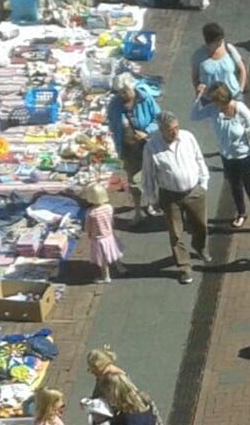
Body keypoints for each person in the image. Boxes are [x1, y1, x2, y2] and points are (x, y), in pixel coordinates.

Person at [142, 114, 210, 286]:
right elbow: (148, 175)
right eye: (170, 130)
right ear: (161, 130)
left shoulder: (187, 137)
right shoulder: (152, 147)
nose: (175, 132)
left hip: (195, 191)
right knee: (176, 233)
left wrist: (204, 183)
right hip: (170, 196)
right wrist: (152, 198)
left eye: (176, 128)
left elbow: (199, 159)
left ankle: (200, 247)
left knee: (200, 225)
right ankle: (184, 267)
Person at [207, 87, 250, 238]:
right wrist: (199, 96)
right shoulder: (217, 112)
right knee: (234, 187)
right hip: (227, 157)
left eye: (215, 101)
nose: (213, 105)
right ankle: (241, 213)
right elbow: (194, 115)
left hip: (244, 156)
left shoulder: (240, 109)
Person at [106, 74, 161, 208]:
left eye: (125, 91)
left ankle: (152, 201)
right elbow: (113, 125)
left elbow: (159, 118)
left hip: (148, 145)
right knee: (133, 181)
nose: (122, 95)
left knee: (152, 175)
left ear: (132, 88)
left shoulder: (145, 99)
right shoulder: (114, 104)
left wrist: (147, 131)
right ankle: (137, 209)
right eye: (120, 92)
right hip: (128, 150)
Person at [191, 22, 248, 104]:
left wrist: (240, 91)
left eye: (221, 40)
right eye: (218, 41)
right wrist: (199, 90)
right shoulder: (198, 55)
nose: (221, 42)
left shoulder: (229, 48)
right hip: (210, 100)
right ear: (209, 41)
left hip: (233, 96)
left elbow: (242, 69)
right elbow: (195, 77)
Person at [78, 182, 121, 284]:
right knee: (112, 252)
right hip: (109, 235)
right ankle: (120, 267)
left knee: (102, 260)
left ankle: (105, 277)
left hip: (98, 238)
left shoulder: (91, 212)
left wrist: (88, 233)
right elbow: (111, 220)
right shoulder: (109, 207)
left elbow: (88, 227)